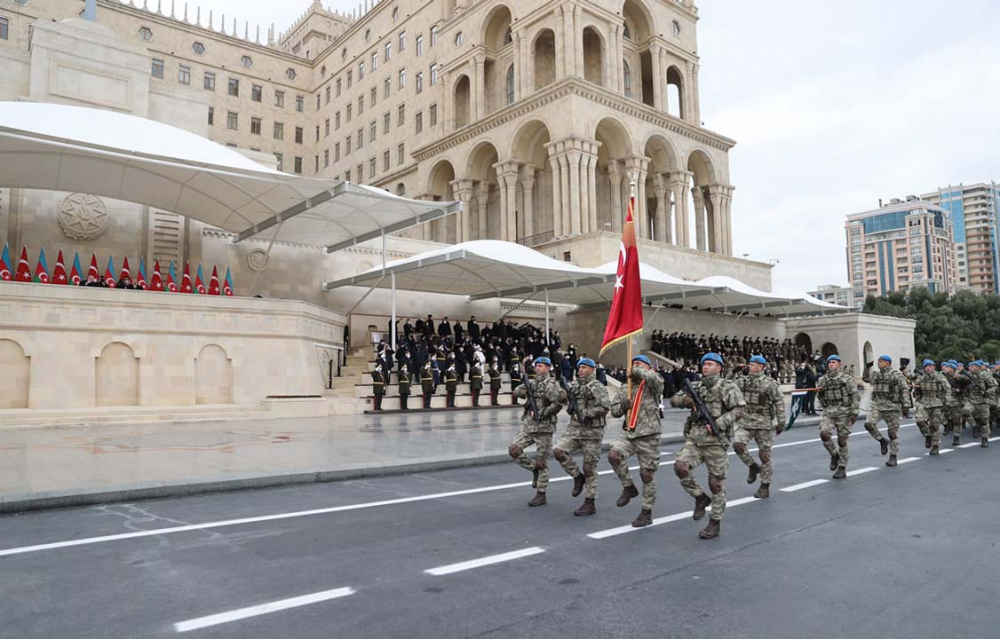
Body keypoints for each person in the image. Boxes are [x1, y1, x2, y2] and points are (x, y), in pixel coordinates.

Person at [671, 353, 745, 539]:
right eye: (704, 364)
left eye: (710, 364)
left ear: (719, 368)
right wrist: (687, 400)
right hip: (695, 439)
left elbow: (740, 410)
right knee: (680, 467)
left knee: (716, 484)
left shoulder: (728, 387)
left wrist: (719, 423)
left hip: (716, 443)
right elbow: (674, 400)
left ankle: (715, 522)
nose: (705, 367)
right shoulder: (695, 386)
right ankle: (699, 497)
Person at [606, 355, 665, 528]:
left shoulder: (653, 384)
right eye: (632, 365)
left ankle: (646, 512)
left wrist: (638, 371)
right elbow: (615, 411)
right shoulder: (626, 387)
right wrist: (625, 405)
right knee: (614, 455)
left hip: (649, 435)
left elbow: (655, 379)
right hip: (629, 433)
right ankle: (628, 486)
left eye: (638, 364)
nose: (633, 367)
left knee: (647, 475)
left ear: (647, 367)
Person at [553, 358, 610, 516]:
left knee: (589, 468)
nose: (580, 370)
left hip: (592, 432)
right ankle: (577, 477)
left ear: (592, 369)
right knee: (559, 451)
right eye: (579, 368)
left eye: (584, 368)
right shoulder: (575, 386)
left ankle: (590, 502)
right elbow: (562, 399)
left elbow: (605, 407)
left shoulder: (597, 387)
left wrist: (585, 414)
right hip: (575, 430)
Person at [510, 357, 565, 507]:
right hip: (529, 427)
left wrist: (542, 413)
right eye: (537, 366)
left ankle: (541, 494)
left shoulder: (553, 384)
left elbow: (558, 404)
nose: (538, 368)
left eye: (541, 366)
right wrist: (522, 391)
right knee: (514, 449)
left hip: (544, 428)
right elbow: (516, 391)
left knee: (542, 462)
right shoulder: (532, 383)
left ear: (548, 368)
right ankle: (533, 468)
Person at [733, 355, 786, 499]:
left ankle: (765, 486)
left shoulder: (769, 383)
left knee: (765, 456)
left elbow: (779, 402)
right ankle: (752, 466)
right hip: (745, 422)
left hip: (763, 424)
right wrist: (733, 371)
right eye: (749, 364)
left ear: (761, 367)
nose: (750, 366)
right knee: (737, 445)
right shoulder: (743, 381)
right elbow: (727, 385)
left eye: (753, 364)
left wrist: (781, 422)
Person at [816, 355, 859, 478]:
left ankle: (842, 467)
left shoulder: (847, 379)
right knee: (824, 434)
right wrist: (820, 393)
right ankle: (834, 455)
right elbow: (820, 397)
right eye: (829, 362)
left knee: (842, 440)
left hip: (844, 412)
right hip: (829, 411)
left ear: (839, 364)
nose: (831, 364)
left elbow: (854, 396)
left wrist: (854, 413)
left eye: (833, 362)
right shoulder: (822, 380)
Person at [862, 355, 907, 467]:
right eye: (878, 361)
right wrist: (867, 368)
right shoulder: (876, 375)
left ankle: (893, 456)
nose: (878, 363)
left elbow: (904, 389)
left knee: (892, 433)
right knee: (868, 424)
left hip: (892, 406)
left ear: (888, 363)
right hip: (877, 405)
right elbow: (865, 379)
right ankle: (882, 440)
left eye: (880, 361)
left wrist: (906, 405)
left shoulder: (896, 375)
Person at [913, 359, 950, 455]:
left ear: (933, 367)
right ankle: (927, 435)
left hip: (937, 403)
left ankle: (935, 446)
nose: (928, 368)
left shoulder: (939, 377)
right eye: (926, 366)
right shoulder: (920, 378)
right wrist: (917, 398)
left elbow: (947, 389)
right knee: (919, 421)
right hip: (924, 403)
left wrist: (947, 402)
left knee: (934, 426)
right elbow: (917, 391)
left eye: (930, 366)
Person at [965, 361, 997, 447]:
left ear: (978, 367)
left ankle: (985, 438)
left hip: (983, 401)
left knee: (984, 421)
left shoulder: (985, 375)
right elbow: (959, 380)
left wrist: (987, 392)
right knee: (965, 411)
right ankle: (974, 426)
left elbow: (994, 386)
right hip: (971, 400)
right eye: (969, 366)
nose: (970, 368)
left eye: (972, 366)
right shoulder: (968, 375)